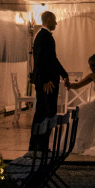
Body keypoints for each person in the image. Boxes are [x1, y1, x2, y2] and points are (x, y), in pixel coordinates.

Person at [30, 11, 68, 149]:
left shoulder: (45, 37)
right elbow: (40, 60)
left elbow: (52, 59)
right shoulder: (43, 37)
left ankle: (40, 145)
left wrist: (64, 74)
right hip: (47, 84)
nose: (56, 23)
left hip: (48, 82)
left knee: (46, 113)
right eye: (54, 20)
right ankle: (39, 145)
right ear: (48, 20)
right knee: (45, 113)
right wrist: (45, 80)